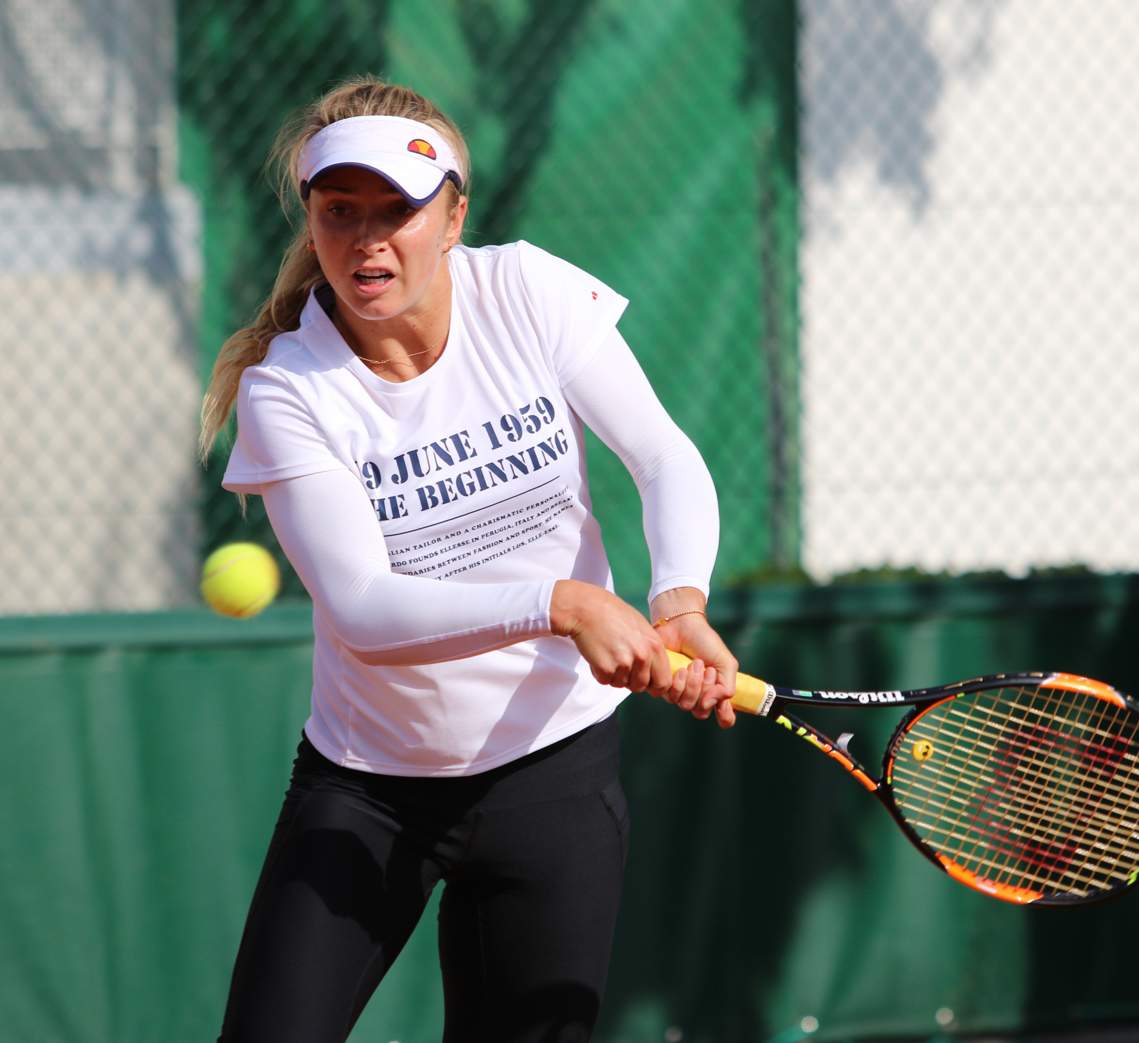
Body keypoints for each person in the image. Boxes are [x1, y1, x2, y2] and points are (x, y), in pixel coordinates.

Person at [197, 75, 738, 1043]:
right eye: (339, 210)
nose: (367, 239)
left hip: (553, 768)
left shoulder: (524, 289)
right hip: (369, 783)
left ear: (453, 218)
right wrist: (565, 603)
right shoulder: (290, 391)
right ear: (312, 220)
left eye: (397, 210)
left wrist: (679, 600)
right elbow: (362, 608)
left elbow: (662, 455)